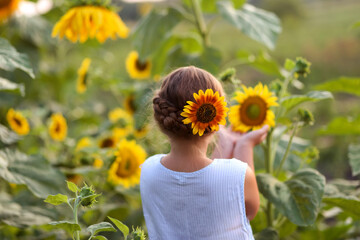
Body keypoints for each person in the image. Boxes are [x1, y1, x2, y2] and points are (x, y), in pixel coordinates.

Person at [140, 66, 269, 240]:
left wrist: (223, 142)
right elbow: (248, 211)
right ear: (216, 117)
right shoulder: (238, 174)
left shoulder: (148, 170)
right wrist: (244, 146)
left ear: (161, 119)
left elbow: (200, 183)